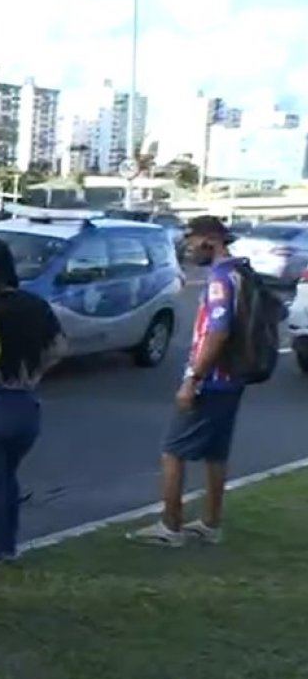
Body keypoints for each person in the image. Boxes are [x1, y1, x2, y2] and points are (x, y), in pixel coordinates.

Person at [128, 216, 246, 547]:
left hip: (211, 379)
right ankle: (210, 522)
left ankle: (171, 526)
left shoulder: (221, 279)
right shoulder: (240, 273)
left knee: (172, 451)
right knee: (215, 454)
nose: (189, 246)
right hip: (232, 378)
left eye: (192, 239)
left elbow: (218, 333)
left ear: (211, 239)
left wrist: (193, 378)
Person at [0, 237, 67, 572]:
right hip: (25, 405)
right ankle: (7, 548)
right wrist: (34, 374)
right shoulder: (34, 304)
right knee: (7, 478)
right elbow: (61, 346)